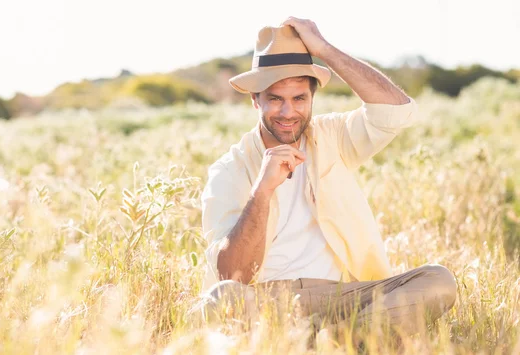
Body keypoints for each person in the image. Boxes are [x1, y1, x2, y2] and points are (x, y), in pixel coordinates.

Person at [194, 17, 457, 336]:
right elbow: (230, 275)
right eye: (275, 99)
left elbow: (397, 112)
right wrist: (261, 191)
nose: (288, 112)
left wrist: (324, 50)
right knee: (220, 300)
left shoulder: (332, 135)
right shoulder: (229, 169)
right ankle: (346, 342)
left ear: (312, 99)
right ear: (255, 100)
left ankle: (328, 341)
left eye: (299, 99)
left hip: (347, 296)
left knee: (438, 280)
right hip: (270, 301)